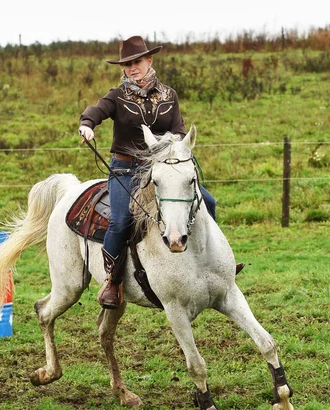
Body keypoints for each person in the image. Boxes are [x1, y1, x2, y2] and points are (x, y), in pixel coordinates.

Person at [78, 35, 242, 310]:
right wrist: (87, 124)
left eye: (137, 61)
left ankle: (216, 263)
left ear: (149, 60)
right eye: (127, 64)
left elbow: (178, 129)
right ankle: (113, 281)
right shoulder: (117, 95)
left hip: (162, 171)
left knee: (208, 202)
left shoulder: (169, 95)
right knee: (121, 220)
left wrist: (175, 150)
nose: (132, 67)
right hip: (126, 170)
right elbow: (97, 110)